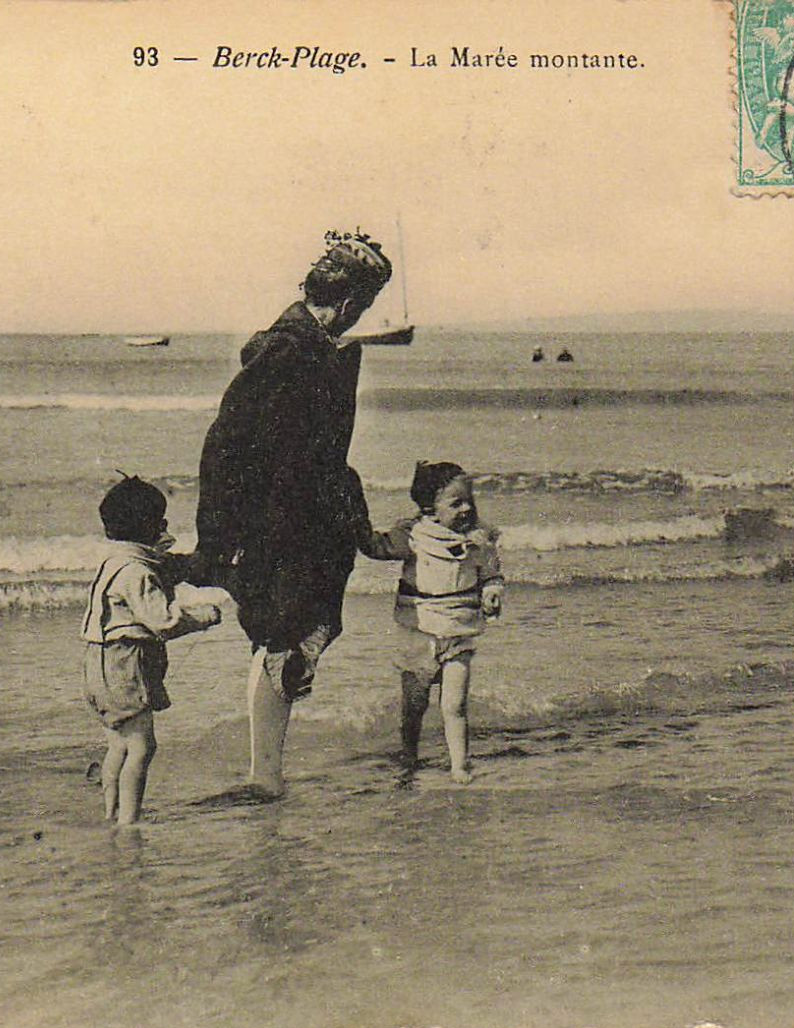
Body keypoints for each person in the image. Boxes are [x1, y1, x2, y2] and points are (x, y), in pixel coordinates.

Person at [192, 230, 393, 797]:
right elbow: (226, 440)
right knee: (286, 640)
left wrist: (351, 519)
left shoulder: (315, 346)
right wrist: (220, 532)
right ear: (351, 302)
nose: (363, 317)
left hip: (311, 519)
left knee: (300, 637)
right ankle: (265, 778)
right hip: (280, 522)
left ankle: (268, 775)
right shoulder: (289, 349)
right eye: (366, 306)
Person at [81, 476, 222, 823]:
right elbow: (164, 621)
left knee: (119, 744)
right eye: (160, 521)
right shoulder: (138, 572)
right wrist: (202, 616)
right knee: (143, 747)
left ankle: (112, 812)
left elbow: (161, 567)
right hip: (124, 665)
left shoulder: (114, 560)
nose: (165, 526)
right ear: (148, 527)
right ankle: (130, 822)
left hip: (96, 664)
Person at [360, 462, 504, 784]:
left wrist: (493, 591)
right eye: (456, 503)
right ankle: (409, 754)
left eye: (470, 501)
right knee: (415, 705)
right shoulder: (414, 536)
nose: (467, 508)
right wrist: (354, 525)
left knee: (455, 704)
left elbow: (491, 571)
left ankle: (459, 765)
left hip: (459, 633)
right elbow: (377, 547)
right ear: (430, 509)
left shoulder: (478, 539)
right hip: (419, 634)